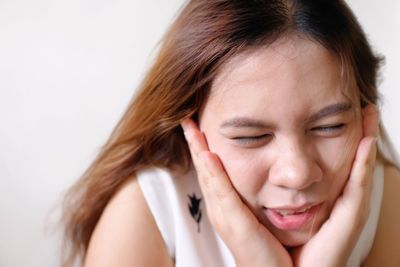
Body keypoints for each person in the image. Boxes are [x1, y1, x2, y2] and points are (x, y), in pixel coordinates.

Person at [61, 0, 400, 266]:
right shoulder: (145, 214)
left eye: (329, 127)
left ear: (365, 111)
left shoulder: (386, 203)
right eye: (251, 137)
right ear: (190, 127)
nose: (296, 174)